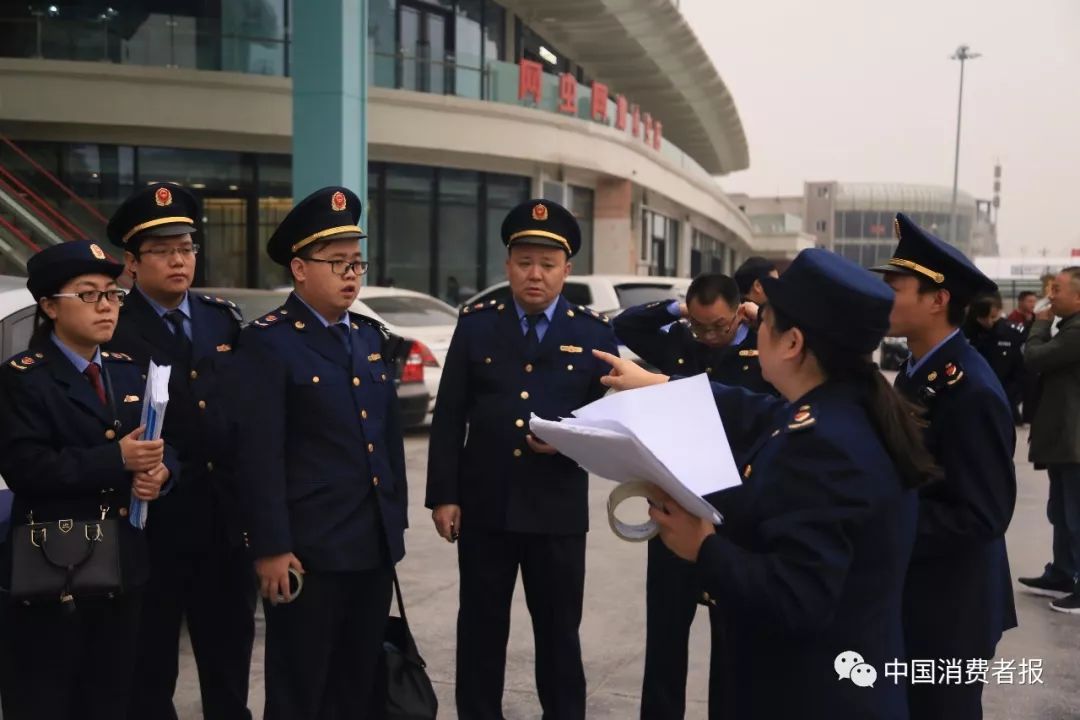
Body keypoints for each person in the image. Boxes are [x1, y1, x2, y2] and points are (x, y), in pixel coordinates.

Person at [595, 247, 933, 719]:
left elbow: (798, 598)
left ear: (791, 343)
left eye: (765, 318)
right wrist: (661, 383)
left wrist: (703, 546)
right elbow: (753, 411)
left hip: (807, 694)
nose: (754, 324)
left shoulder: (825, 445)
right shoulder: (843, 407)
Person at [426, 199, 618, 719]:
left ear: (567, 270)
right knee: (481, 629)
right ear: (508, 265)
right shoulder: (477, 324)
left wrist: (571, 439)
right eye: (525, 262)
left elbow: (615, 420)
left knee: (559, 634)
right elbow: (449, 415)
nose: (536, 275)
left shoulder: (593, 332)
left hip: (555, 510)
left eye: (548, 265)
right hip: (486, 505)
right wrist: (444, 495)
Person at [227, 187, 408, 719]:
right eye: (337, 263)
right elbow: (258, 455)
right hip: (307, 552)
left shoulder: (369, 338)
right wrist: (271, 546)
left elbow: (388, 441)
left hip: (369, 545)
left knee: (357, 684)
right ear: (300, 269)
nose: (351, 274)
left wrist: (392, 526)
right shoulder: (268, 342)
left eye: (357, 262)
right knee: (299, 687)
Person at [0, 240, 176, 720]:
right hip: (55, 569)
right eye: (89, 294)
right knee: (48, 697)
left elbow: (164, 445)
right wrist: (115, 459)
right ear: (50, 306)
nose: (106, 306)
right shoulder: (23, 379)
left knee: (113, 697)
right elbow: (26, 467)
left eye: (112, 294)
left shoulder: (128, 370)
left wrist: (159, 473)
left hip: (123, 567)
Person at [104, 183, 255, 720]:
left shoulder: (222, 320)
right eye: (163, 250)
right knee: (149, 668)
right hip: (152, 526)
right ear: (131, 262)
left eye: (187, 248)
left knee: (229, 663)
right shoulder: (112, 326)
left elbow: (240, 415)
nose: (179, 260)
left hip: (224, 524)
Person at [871, 212, 1017, 719]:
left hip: (951, 608)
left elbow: (984, 514)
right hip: (920, 594)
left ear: (937, 299)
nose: (885, 297)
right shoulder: (919, 371)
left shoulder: (970, 389)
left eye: (897, 287)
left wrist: (889, 527)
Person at [613, 272, 773, 719]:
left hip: (734, 516)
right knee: (665, 637)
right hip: (677, 505)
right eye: (701, 326)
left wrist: (761, 322)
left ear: (740, 310)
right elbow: (626, 327)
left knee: (731, 642)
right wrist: (677, 310)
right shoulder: (682, 343)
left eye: (719, 326)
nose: (710, 336)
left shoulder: (762, 350)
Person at [1018, 266, 1080, 612]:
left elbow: (1034, 357)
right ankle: (1062, 572)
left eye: (1057, 289)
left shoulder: (1076, 332)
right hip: (1063, 439)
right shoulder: (1069, 328)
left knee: (1075, 515)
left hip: (1074, 441)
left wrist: (1039, 324)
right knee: (1060, 511)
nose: (1050, 294)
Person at [962, 293, 1025, 423]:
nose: (989, 322)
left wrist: (1013, 397)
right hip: (970, 398)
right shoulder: (962, 333)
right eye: (984, 317)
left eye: (993, 317)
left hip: (1004, 397)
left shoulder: (1011, 333)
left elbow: (1020, 370)